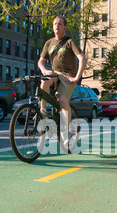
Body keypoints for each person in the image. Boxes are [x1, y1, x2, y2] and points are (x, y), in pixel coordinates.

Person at [37, 15, 87, 148]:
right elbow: (41, 61)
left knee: (63, 100)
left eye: (59, 24)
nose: (56, 26)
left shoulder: (69, 42)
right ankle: (43, 114)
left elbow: (82, 58)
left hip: (67, 76)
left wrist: (76, 77)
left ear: (65, 27)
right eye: (54, 24)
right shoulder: (48, 43)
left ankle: (65, 133)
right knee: (44, 82)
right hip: (54, 74)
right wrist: (44, 70)